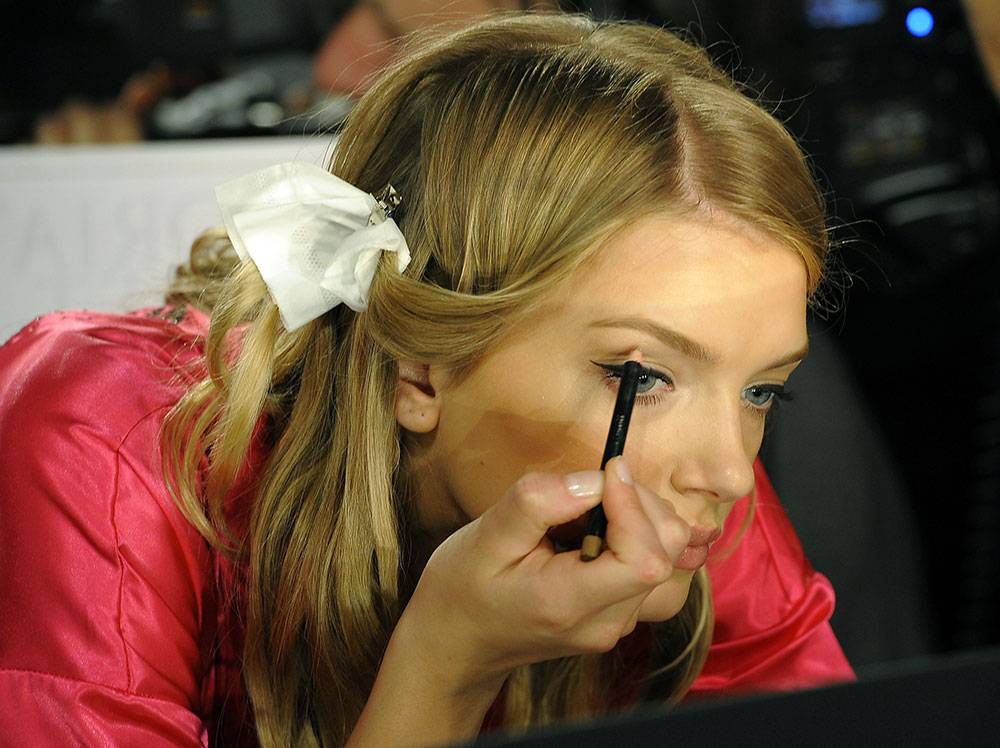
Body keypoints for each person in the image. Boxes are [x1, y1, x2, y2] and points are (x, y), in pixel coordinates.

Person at [0, 10, 853, 747]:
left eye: (761, 391)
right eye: (646, 376)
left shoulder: (680, 485)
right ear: (421, 368)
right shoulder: (99, 443)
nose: (731, 474)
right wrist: (444, 665)